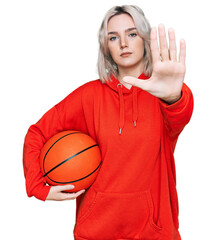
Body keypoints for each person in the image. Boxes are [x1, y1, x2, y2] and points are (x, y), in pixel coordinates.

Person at [23, 5, 194, 240]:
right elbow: (37, 133)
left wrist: (172, 96)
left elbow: (181, 113)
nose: (124, 43)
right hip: (96, 232)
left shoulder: (165, 94)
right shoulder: (88, 96)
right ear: (106, 47)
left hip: (154, 233)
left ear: (145, 39)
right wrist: (37, 186)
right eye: (114, 37)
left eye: (132, 34)